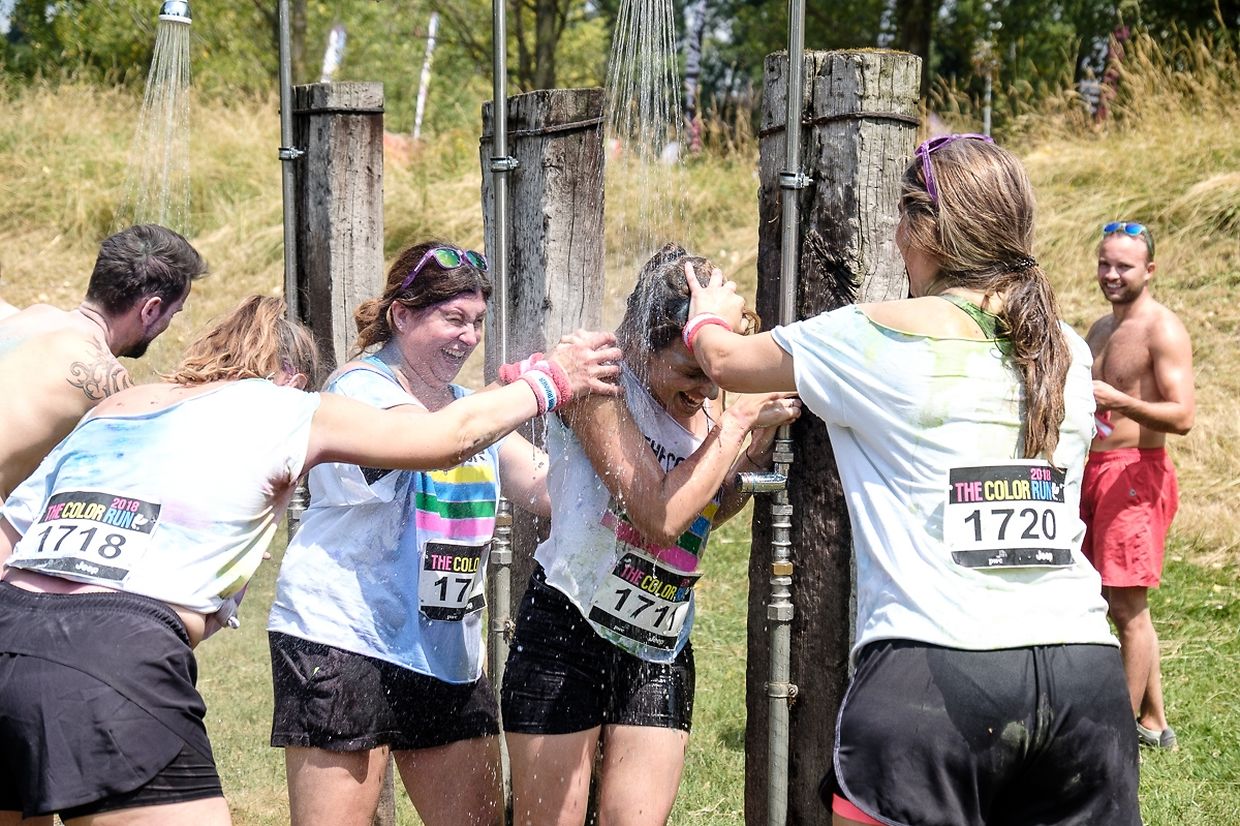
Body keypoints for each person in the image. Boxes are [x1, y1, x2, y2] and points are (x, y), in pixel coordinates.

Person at [0, 294, 622, 826]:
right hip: (116, 653)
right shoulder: (285, 407)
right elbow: (440, 439)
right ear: (293, 378)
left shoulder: (122, 407)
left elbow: (10, 536)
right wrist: (549, 380)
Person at [682, 136, 1141, 826]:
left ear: (926, 228)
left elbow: (726, 363)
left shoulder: (875, 336)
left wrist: (704, 316)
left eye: (901, 219)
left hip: (936, 672)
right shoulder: (1064, 347)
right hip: (1084, 673)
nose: (895, 239)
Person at [501, 244, 802, 826]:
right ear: (642, 342)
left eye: (715, 376)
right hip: (567, 631)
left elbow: (698, 514)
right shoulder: (599, 385)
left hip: (659, 641)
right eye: (692, 373)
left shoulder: (707, 402)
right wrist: (736, 425)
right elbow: (658, 516)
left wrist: (749, 452)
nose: (707, 393)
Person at [266, 241, 551, 826]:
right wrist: (538, 389)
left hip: (445, 652)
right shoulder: (359, 388)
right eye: (453, 318)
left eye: (477, 322)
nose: (469, 337)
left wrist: (600, 420)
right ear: (401, 315)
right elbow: (435, 440)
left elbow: (546, 490)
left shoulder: (469, 409)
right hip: (343, 636)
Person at [1083, 221, 1194, 751]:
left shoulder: (1162, 329)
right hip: (1094, 473)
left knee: (1128, 607)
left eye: (1123, 266)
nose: (1111, 274)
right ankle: (1152, 720)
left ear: (1149, 270)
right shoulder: (1100, 329)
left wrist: (1121, 401)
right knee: (1112, 601)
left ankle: (1117, 737)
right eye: (1105, 263)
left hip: (1136, 474)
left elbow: (1183, 415)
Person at [0, 224, 206, 502]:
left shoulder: (29, 317)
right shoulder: (109, 383)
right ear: (151, 309)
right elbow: (155, 479)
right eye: (174, 313)